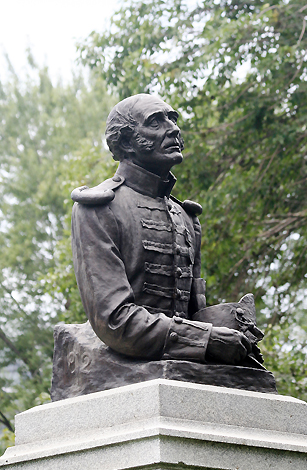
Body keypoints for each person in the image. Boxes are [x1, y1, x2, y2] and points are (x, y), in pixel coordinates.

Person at [71, 94, 254, 366]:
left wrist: (230, 324)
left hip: (177, 360)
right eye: (155, 122)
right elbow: (114, 321)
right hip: (124, 361)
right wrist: (206, 339)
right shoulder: (97, 208)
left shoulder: (186, 217)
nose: (173, 128)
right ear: (125, 142)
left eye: (172, 118)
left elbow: (194, 315)